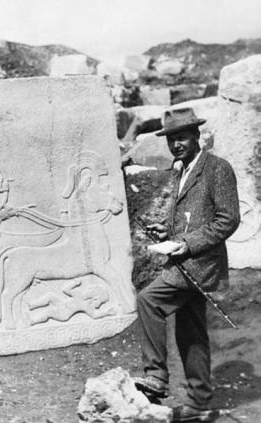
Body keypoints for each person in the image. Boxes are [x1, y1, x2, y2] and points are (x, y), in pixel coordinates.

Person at [134, 108, 240, 421]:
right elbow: (195, 218)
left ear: (197, 136)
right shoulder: (183, 169)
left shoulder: (217, 168)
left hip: (200, 264)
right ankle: (200, 403)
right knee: (190, 333)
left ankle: (156, 376)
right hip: (185, 263)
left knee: (148, 300)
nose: (176, 144)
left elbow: (228, 219)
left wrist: (188, 244)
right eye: (171, 139)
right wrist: (169, 234)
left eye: (182, 137)